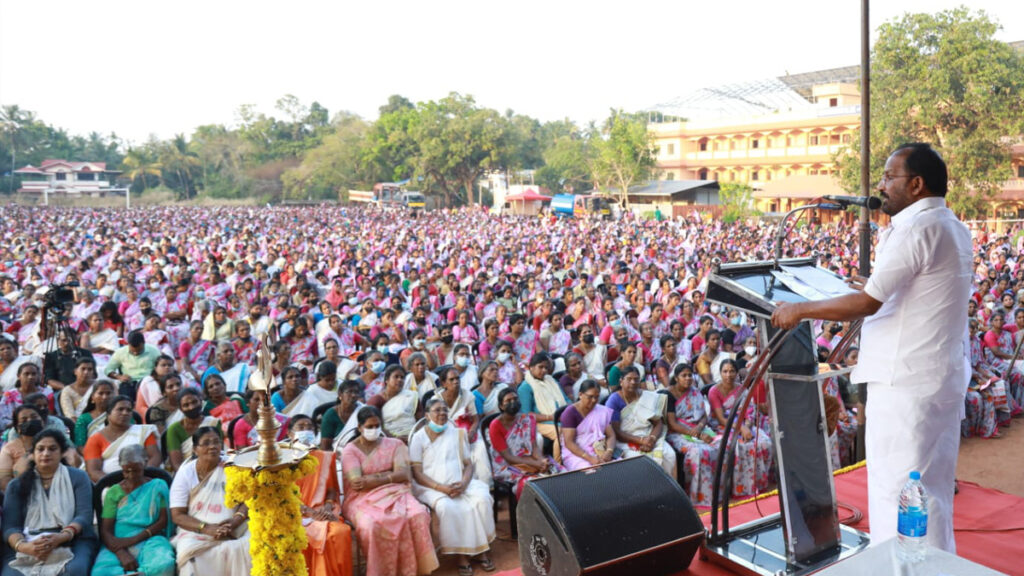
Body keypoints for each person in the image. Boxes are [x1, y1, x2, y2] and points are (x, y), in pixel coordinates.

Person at [772, 143, 972, 552]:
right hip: (938, 377)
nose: (881, 185)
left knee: (896, 488)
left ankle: (899, 567)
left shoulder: (915, 228)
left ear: (916, 184)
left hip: (905, 384)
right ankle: (931, 565)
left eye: (888, 177)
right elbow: (918, 290)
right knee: (928, 489)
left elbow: (867, 304)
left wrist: (801, 309)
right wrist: (873, 287)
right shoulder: (952, 225)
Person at [341, 406, 439, 576]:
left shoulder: (395, 444)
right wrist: (390, 474)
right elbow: (357, 483)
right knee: (371, 524)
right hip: (360, 499)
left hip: (397, 493)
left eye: (377, 426)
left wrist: (376, 478)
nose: (374, 430)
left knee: (418, 514)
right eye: (369, 427)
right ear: (359, 428)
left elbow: (404, 473)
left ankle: (415, 569)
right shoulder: (350, 450)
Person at [410, 398, 496, 576]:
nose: (442, 413)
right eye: (437, 410)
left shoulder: (457, 433)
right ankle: (461, 556)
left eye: (444, 410)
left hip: (460, 483)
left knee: (482, 500)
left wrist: (464, 484)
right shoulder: (418, 438)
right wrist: (441, 488)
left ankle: (481, 550)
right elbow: (417, 473)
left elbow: (468, 464)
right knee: (448, 507)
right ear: (427, 415)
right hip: (430, 487)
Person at [2, 429, 98, 576]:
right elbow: (10, 526)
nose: (46, 453)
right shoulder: (17, 485)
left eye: (52, 449)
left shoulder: (78, 477)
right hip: (28, 543)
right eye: (40, 449)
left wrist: (61, 537)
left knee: (74, 571)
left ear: (62, 453)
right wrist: (25, 547)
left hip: (73, 540)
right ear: (32, 455)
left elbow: (84, 515)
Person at [169, 426, 251, 576]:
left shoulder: (233, 466)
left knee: (248, 546)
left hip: (235, 526)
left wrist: (235, 521)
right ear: (195, 449)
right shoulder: (186, 473)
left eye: (216, 442)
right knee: (191, 557)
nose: (212, 446)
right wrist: (206, 528)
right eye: (206, 443)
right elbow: (177, 515)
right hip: (195, 529)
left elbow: (247, 501)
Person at [91, 444, 175, 576]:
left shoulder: (157, 486)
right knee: (100, 573)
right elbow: (106, 531)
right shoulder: (113, 492)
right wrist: (120, 552)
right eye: (126, 471)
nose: (130, 476)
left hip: (150, 538)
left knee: (164, 565)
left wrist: (133, 540)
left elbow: (162, 521)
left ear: (145, 464)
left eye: (135, 471)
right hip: (118, 541)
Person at [288, 415, 354, 576]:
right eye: (301, 427)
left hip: (321, 510)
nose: (306, 431)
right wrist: (307, 512)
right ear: (290, 434)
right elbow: (282, 494)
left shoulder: (324, 457)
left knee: (340, 532)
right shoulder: (284, 459)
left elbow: (331, 488)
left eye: (310, 427)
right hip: (292, 513)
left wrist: (327, 506)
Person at [707, 360, 773, 499]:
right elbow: (721, 418)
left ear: (736, 373)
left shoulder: (742, 390)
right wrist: (740, 428)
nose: (728, 375)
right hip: (724, 426)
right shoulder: (714, 391)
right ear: (720, 373)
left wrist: (747, 427)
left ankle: (758, 484)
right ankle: (740, 489)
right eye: (725, 371)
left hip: (744, 424)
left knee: (764, 442)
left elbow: (749, 412)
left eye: (732, 371)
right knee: (739, 446)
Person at [487, 388, 561, 498]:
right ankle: (534, 513)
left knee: (558, 472)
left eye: (515, 399)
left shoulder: (528, 419)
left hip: (529, 459)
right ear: (501, 406)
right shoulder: (495, 426)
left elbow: (534, 447)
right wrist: (536, 464)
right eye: (508, 400)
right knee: (534, 484)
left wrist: (541, 460)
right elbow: (508, 457)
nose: (513, 402)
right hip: (507, 466)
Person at [607, 366, 676, 478]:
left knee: (669, 455)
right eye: (629, 379)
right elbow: (616, 431)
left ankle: (670, 490)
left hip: (648, 435)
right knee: (638, 459)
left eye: (636, 379)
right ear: (621, 381)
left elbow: (658, 422)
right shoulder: (614, 400)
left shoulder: (647, 396)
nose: (633, 382)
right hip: (625, 439)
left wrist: (652, 439)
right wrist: (641, 441)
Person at [664, 364, 718, 506]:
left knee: (719, 445)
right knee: (698, 452)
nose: (688, 378)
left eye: (690, 375)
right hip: (677, 434)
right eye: (684, 375)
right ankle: (697, 495)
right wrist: (697, 435)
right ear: (676, 378)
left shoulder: (695, 392)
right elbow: (672, 424)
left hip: (698, 429)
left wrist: (700, 428)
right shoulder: (668, 394)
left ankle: (718, 492)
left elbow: (704, 416)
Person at [0, 405, 78, 491]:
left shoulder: (58, 443)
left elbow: (74, 464)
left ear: (42, 422)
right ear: (18, 428)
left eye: (34, 417)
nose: (30, 421)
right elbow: (4, 479)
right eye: (24, 420)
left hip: (60, 489)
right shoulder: (9, 449)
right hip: (23, 493)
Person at [84, 395, 161, 482]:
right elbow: (93, 471)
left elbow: (155, 457)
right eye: (120, 409)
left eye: (129, 410)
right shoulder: (95, 439)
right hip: (109, 486)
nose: (125, 413)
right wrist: (117, 486)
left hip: (143, 481)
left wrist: (140, 478)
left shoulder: (144, 432)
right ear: (108, 414)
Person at [516, 353, 570, 453]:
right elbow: (526, 415)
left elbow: (566, 400)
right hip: (540, 423)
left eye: (546, 367)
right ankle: (560, 462)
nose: (544, 370)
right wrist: (550, 417)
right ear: (531, 368)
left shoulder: (551, 380)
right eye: (540, 367)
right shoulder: (525, 388)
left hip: (560, 417)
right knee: (562, 432)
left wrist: (569, 411)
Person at [558, 380, 616, 471]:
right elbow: (569, 443)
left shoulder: (601, 410)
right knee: (592, 472)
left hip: (599, 450)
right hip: (576, 454)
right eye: (590, 397)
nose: (593, 400)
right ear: (580, 395)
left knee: (616, 468)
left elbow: (611, 435)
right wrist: (590, 458)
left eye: (597, 397)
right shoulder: (570, 413)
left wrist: (609, 451)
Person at [166, 388, 221, 472]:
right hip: (186, 473)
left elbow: (220, 453)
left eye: (194, 402)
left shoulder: (213, 423)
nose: (191, 407)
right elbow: (176, 464)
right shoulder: (174, 429)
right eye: (186, 405)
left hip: (214, 470)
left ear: (201, 401)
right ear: (180, 409)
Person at [375, 366, 419, 440]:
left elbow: (420, 420)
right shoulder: (377, 400)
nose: (399, 380)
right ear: (387, 380)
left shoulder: (411, 396)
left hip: (412, 436)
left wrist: (414, 435)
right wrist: (395, 439)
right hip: (388, 439)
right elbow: (376, 426)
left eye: (402, 377)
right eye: (396, 377)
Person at [320, 380, 363, 451]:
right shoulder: (330, 415)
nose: (353, 395)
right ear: (340, 394)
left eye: (356, 392)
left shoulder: (363, 411)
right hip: (336, 455)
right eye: (349, 392)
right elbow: (325, 447)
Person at [73, 380, 116, 450]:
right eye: (101, 393)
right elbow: (80, 446)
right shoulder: (84, 419)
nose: (104, 397)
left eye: (108, 393)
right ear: (93, 397)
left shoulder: (123, 415)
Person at [59, 357, 97, 421]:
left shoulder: (99, 386)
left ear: (93, 373)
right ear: (75, 371)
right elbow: (70, 416)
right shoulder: (67, 391)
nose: (86, 372)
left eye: (90, 369)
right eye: (83, 369)